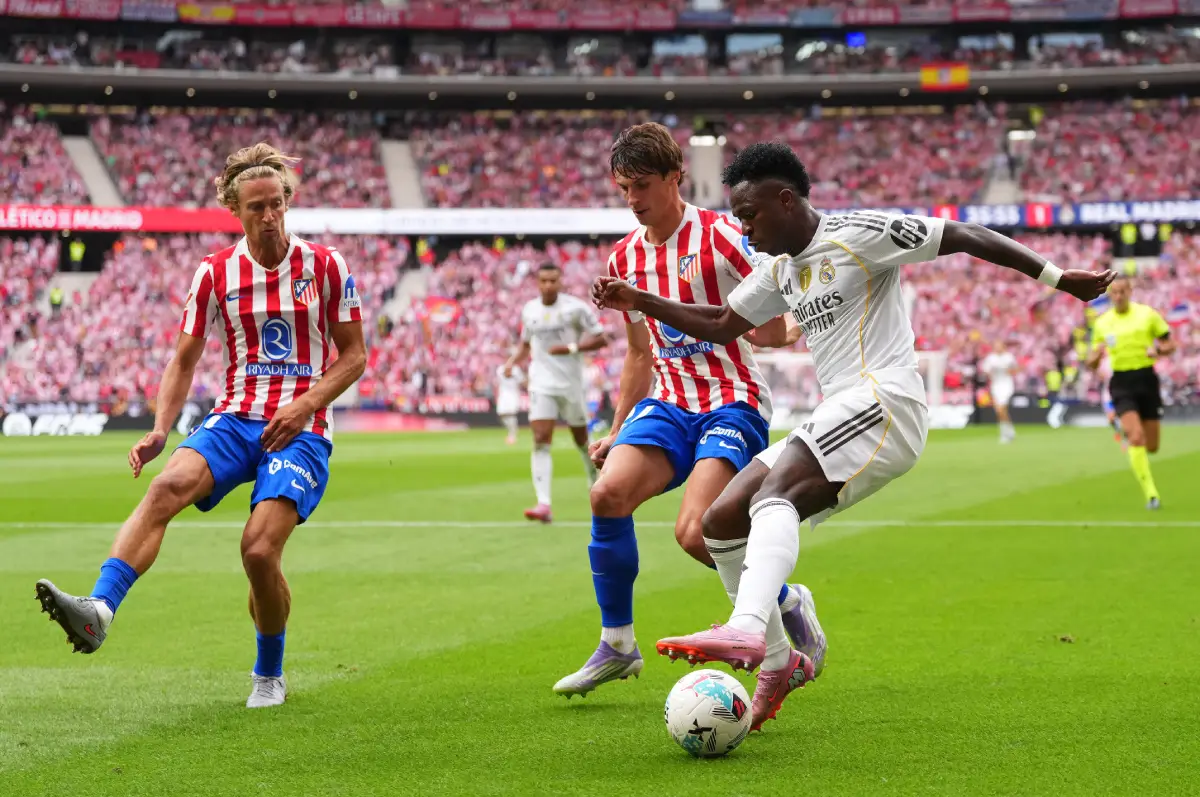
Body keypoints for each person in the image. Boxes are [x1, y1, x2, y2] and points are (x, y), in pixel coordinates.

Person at [593, 141, 1113, 729]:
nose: (745, 228)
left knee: (773, 497)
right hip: (841, 407)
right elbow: (720, 323)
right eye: (737, 217)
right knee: (721, 520)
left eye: (751, 215)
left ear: (786, 201)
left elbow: (963, 233)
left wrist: (1056, 277)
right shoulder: (778, 267)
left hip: (885, 399)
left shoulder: (859, 233)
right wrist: (642, 301)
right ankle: (777, 661)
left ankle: (744, 628)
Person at [34, 143, 367, 709]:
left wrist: (304, 403)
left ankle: (268, 671)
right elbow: (184, 359)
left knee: (259, 551)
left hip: (301, 429)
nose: (269, 216)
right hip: (234, 419)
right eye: (256, 206)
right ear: (235, 210)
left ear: (288, 202)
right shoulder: (215, 274)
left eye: (277, 204)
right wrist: (162, 429)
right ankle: (100, 611)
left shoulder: (326, 265)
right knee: (165, 487)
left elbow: (354, 355)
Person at [553, 124, 817, 700]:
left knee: (696, 533)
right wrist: (617, 428)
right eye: (623, 188)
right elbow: (638, 352)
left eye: (642, 185)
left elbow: (771, 330)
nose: (632, 200)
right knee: (606, 495)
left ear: (676, 176)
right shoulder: (623, 255)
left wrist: (799, 322)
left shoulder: (725, 236)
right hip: (668, 401)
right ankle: (618, 645)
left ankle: (787, 601)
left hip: (732, 400)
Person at [503, 262, 609, 523]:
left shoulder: (575, 308)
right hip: (541, 383)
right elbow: (526, 344)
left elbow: (601, 338)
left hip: (571, 384)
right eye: (543, 281)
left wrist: (570, 348)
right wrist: (511, 363)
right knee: (540, 438)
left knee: (582, 440)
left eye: (553, 280)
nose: (548, 285)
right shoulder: (529, 310)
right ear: (537, 283)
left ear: (561, 282)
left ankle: (594, 482)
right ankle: (543, 504)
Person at [1085, 276, 1174, 509]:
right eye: (1114, 292)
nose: (1118, 296)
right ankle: (1151, 494)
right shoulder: (1103, 323)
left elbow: (1169, 344)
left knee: (1152, 445)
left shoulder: (1147, 315)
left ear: (1130, 291)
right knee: (1136, 437)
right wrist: (1095, 357)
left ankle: (1135, 444)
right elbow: (1092, 362)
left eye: (1122, 291)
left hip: (1146, 380)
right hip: (1121, 382)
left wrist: (1158, 351)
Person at [980, 339, 1018, 443]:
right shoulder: (991, 358)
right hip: (996, 385)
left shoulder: (1009, 357)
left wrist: (1010, 371)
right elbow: (986, 371)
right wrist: (990, 374)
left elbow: (1015, 369)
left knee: (1002, 409)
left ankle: (1005, 434)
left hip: (1006, 385)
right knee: (999, 411)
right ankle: (1009, 431)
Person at [495, 362, 523, 445]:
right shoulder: (500, 369)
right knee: (501, 414)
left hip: (513, 395)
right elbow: (501, 378)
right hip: (503, 395)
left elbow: (521, 381)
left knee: (511, 414)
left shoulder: (517, 370)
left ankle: (512, 435)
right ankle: (512, 429)